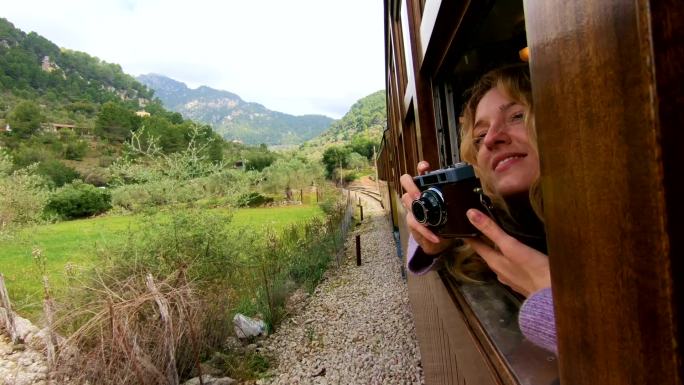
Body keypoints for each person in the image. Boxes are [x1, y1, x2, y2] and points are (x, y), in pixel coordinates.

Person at [400, 65, 557, 353]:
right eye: (479, 136)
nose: (492, 138)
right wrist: (434, 239)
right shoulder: (490, 220)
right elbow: (431, 252)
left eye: (517, 116)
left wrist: (553, 301)